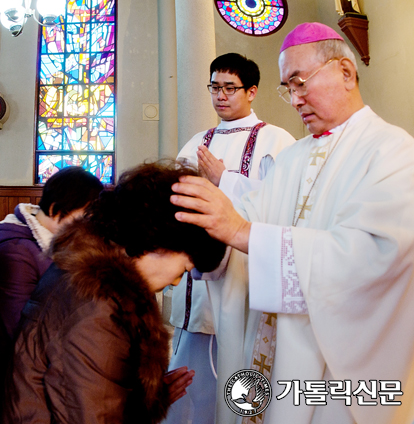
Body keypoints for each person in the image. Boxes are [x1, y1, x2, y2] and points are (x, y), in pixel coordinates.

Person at [171, 22, 414, 424]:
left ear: (346, 72)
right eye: (288, 88)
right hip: (276, 348)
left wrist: (241, 232)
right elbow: (243, 223)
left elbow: (374, 257)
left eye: (301, 83)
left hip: (335, 365)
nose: (294, 99)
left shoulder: (393, 152)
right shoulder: (293, 158)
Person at [3, 160, 227, 424]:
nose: (177, 282)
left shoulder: (93, 280)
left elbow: (89, 395)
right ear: (157, 243)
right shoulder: (97, 310)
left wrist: (148, 397)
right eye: (183, 269)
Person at [166, 53, 295, 423]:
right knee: (192, 365)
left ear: (251, 91)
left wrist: (226, 179)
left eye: (230, 88)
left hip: (245, 275)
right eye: (214, 87)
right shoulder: (197, 141)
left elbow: (281, 207)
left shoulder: (276, 140)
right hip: (198, 275)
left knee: (239, 360)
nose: (220, 96)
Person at [0, 166, 103, 424]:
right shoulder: (14, 253)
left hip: (44, 382)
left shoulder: (53, 246)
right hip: (19, 389)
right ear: (57, 209)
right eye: (84, 218)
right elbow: (20, 337)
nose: (88, 229)